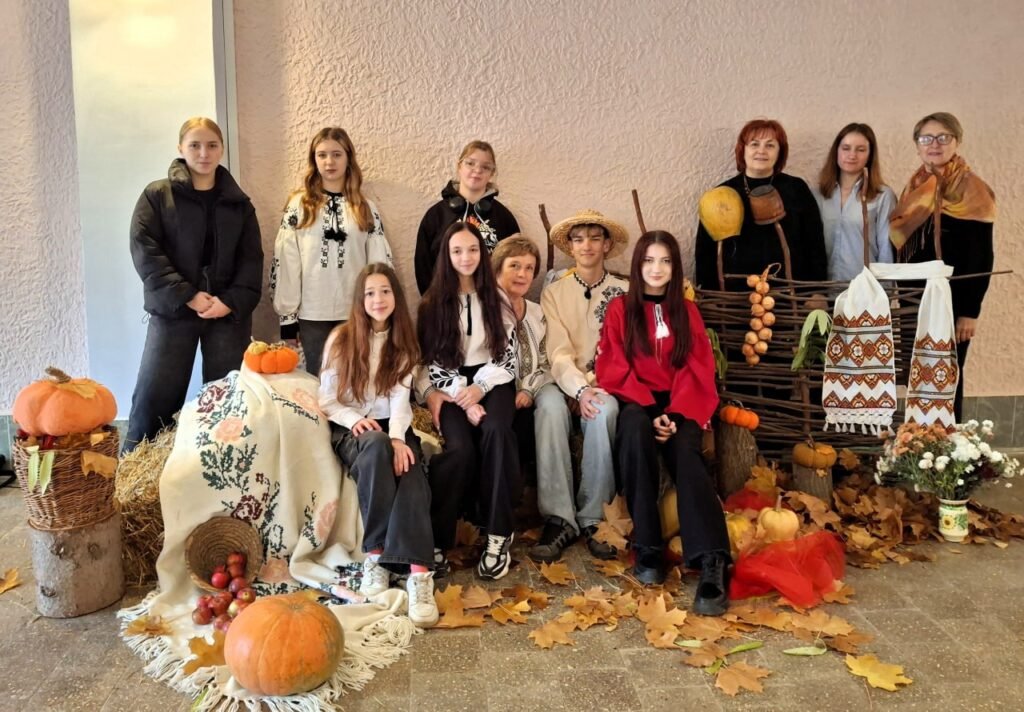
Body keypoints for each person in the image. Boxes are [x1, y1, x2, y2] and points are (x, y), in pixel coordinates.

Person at [596, 231, 730, 614]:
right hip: (636, 400)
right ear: (638, 265)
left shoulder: (686, 312)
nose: (657, 269)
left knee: (686, 451)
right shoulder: (620, 309)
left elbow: (697, 366)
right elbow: (613, 364)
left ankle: (712, 559)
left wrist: (676, 414)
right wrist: (651, 410)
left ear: (675, 267)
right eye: (649, 260)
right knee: (634, 431)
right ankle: (648, 547)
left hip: (682, 402)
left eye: (665, 261)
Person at [125, 117, 262, 452]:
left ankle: (218, 468)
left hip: (226, 315)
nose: (204, 153)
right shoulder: (158, 195)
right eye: (195, 145)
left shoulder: (239, 204)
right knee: (155, 395)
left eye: (212, 145)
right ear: (180, 148)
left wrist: (230, 301)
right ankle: (138, 472)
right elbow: (146, 251)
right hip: (173, 311)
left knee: (226, 400)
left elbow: (251, 259)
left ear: (222, 149)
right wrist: (186, 295)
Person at [320, 263, 438, 627]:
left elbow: (401, 402)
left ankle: (419, 574)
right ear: (360, 300)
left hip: (392, 424)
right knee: (374, 444)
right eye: (370, 293)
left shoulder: (404, 343)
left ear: (396, 296)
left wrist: (400, 439)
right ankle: (375, 555)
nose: (378, 299)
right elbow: (327, 399)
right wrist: (353, 420)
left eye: (385, 291)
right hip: (351, 426)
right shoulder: (341, 339)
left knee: (410, 465)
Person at [417, 222, 520, 580]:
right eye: (457, 251)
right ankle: (436, 539)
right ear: (446, 256)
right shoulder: (432, 304)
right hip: (451, 384)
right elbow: (432, 362)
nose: (466, 257)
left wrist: (481, 389)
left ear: (483, 253)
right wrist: (464, 398)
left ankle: (498, 535)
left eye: (473, 250)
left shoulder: (497, 297)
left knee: (497, 431)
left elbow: (508, 355)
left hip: (495, 378)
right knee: (460, 449)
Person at [890, 112, 996, 422]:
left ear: (957, 142)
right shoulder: (915, 187)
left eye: (943, 137)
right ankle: (916, 441)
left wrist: (970, 311)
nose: (934, 144)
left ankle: (946, 442)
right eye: (926, 138)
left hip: (954, 301)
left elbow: (982, 255)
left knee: (946, 372)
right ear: (917, 145)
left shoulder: (973, 190)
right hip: (914, 300)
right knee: (918, 373)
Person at [538, 210, 629, 560]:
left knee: (604, 410)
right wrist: (578, 388)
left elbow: (622, 351)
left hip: (605, 382)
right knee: (548, 408)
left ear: (606, 245)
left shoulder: (624, 292)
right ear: (570, 247)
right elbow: (558, 351)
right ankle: (559, 518)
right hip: (561, 380)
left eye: (594, 238)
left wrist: (592, 388)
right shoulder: (554, 293)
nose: (586, 245)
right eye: (578, 239)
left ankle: (595, 517)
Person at [272, 127, 393, 376]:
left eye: (337, 154)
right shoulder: (299, 206)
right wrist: (288, 318)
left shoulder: (365, 208)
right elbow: (287, 261)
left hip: (356, 311)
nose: (329, 162)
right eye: (322, 155)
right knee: (318, 380)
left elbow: (378, 264)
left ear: (348, 158)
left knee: (357, 377)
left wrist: (379, 309)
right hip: (312, 313)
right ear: (314, 160)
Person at [490, 236, 568, 551]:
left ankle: (556, 517)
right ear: (498, 268)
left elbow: (547, 360)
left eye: (529, 268)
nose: (522, 274)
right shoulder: (484, 310)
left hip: (535, 385)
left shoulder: (537, 312)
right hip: (495, 390)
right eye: (514, 266)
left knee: (548, 408)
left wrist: (529, 389)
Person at [695, 119, 826, 291]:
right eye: (754, 144)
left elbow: (814, 243)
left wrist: (817, 293)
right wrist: (708, 293)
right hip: (735, 294)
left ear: (780, 152)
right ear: (743, 150)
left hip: (790, 293)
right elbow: (705, 251)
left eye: (770, 145)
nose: (761, 151)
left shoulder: (796, 188)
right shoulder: (722, 194)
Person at [414, 140, 520, 294]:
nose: (477, 170)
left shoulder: (504, 218)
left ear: (492, 173)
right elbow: (423, 266)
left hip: (492, 301)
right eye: (470, 163)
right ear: (459, 166)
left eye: (485, 167)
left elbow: (515, 263)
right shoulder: (436, 215)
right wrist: (433, 301)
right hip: (445, 301)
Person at [813, 123, 896, 281]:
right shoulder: (817, 195)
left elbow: (886, 249)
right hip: (823, 288)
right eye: (846, 148)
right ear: (836, 151)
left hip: (865, 287)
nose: (852, 155)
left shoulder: (883, 196)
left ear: (870, 155)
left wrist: (885, 290)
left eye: (861, 150)